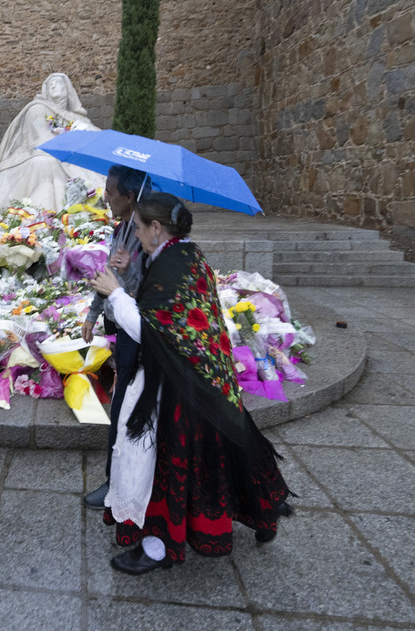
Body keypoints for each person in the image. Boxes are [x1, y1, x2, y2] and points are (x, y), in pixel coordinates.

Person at [90, 192, 291, 575]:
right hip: (204, 374)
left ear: (155, 227)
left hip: (180, 386)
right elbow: (160, 306)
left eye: (138, 227)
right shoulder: (182, 253)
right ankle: (265, 510)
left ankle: (157, 546)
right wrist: (132, 269)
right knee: (225, 448)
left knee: (166, 463)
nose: (134, 233)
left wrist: (114, 293)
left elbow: (151, 328)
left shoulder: (172, 265)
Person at [80, 166, 147, 511]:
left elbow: (145, 290)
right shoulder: (122, 229)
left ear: (130, 196)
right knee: (121, 405)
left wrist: (127, 272)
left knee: (123, 408)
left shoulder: (147, 233)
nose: (104, 197)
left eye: (110, 191)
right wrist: (93, 313)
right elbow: (109, 275)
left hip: (137, 334)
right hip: (117, 326)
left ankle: (113, 483)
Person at [0, 73, 104, 210]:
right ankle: (50, 211)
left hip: (74, 156)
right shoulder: (37, 109)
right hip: (41, 154)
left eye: (57, 82)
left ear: (67, 88)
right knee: (46, 162)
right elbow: (40, 140)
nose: (53, 85)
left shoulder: (77, 118)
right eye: (50, 84)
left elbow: (96, 136)